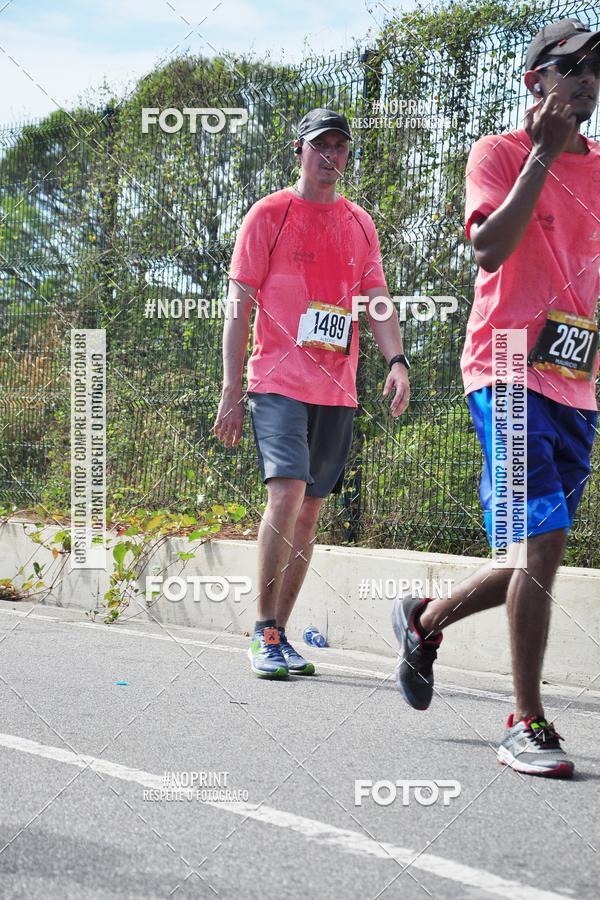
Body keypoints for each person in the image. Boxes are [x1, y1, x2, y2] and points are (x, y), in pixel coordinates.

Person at [392, 18, 600, 777]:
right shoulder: (500, 154)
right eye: (568, 65)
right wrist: (542, 156)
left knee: (535, 550)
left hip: (577, 383)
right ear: (534, 81)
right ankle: (526, 720)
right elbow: (488, 248)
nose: (585, 77)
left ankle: (427, 618)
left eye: (595, 66)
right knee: (540, 540)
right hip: (505, 366)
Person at [214, 108, 410, 679]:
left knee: (310, 512)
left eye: (340, 147)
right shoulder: (269, 215)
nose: (331, 156)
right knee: (287, 492)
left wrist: (395, 360)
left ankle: (279, 631)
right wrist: (231, 387)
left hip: (337, 389)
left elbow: (376, 299)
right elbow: (238, 307)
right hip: (275, 379)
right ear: (299, 151)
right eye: (320, 145)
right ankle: (261, 631)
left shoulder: (359, 223)